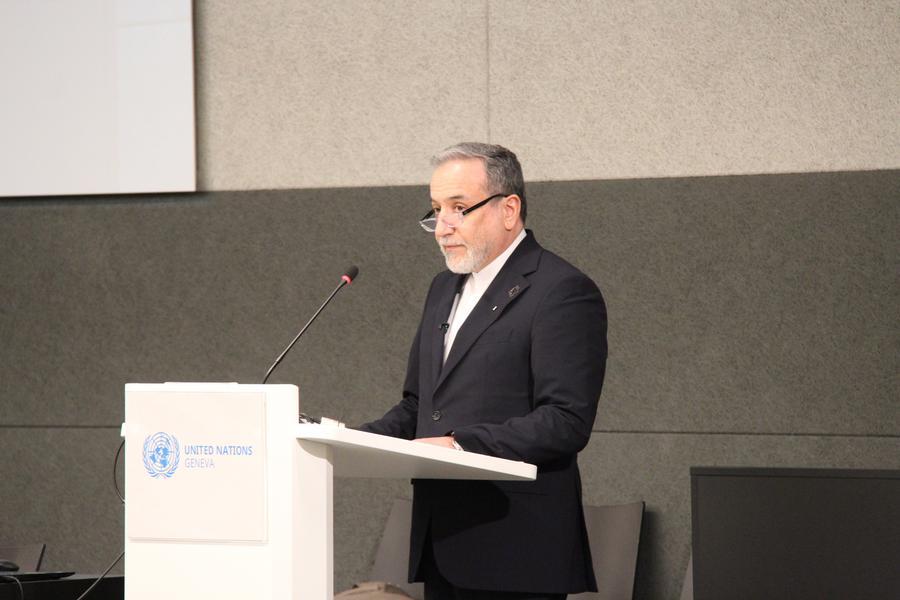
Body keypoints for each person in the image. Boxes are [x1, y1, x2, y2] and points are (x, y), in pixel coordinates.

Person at [358, 142, 607, 600]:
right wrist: (352, 438)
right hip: (442, 540)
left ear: (508, 209)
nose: (442, 227)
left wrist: (459, 444)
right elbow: (419, 405)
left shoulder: (562, 290)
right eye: (436, 210)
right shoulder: (442, 288)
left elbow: (566, 420)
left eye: (459, 208)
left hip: (516, 547)